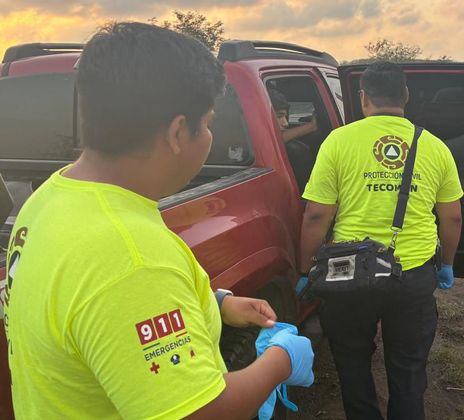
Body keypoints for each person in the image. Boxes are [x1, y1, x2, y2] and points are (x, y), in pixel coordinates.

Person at [1, 22, 313, 419]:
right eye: (210, 123)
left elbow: (89, 313)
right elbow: (200, 413)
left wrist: (214, 305)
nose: (210, 135)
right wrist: (281, 361)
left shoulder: (51, 197)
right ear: (179, 131)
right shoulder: (132, 257)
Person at [298, 61, 463, 419]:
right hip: (413, 273)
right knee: (407, 370)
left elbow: (316, 215)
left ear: (362, 98)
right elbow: (452, 216)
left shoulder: (338, 141)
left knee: (353, 363)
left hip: (349, 273)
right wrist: (447, 264)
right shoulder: (434, 146)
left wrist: (306, 269)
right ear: (405, 96)